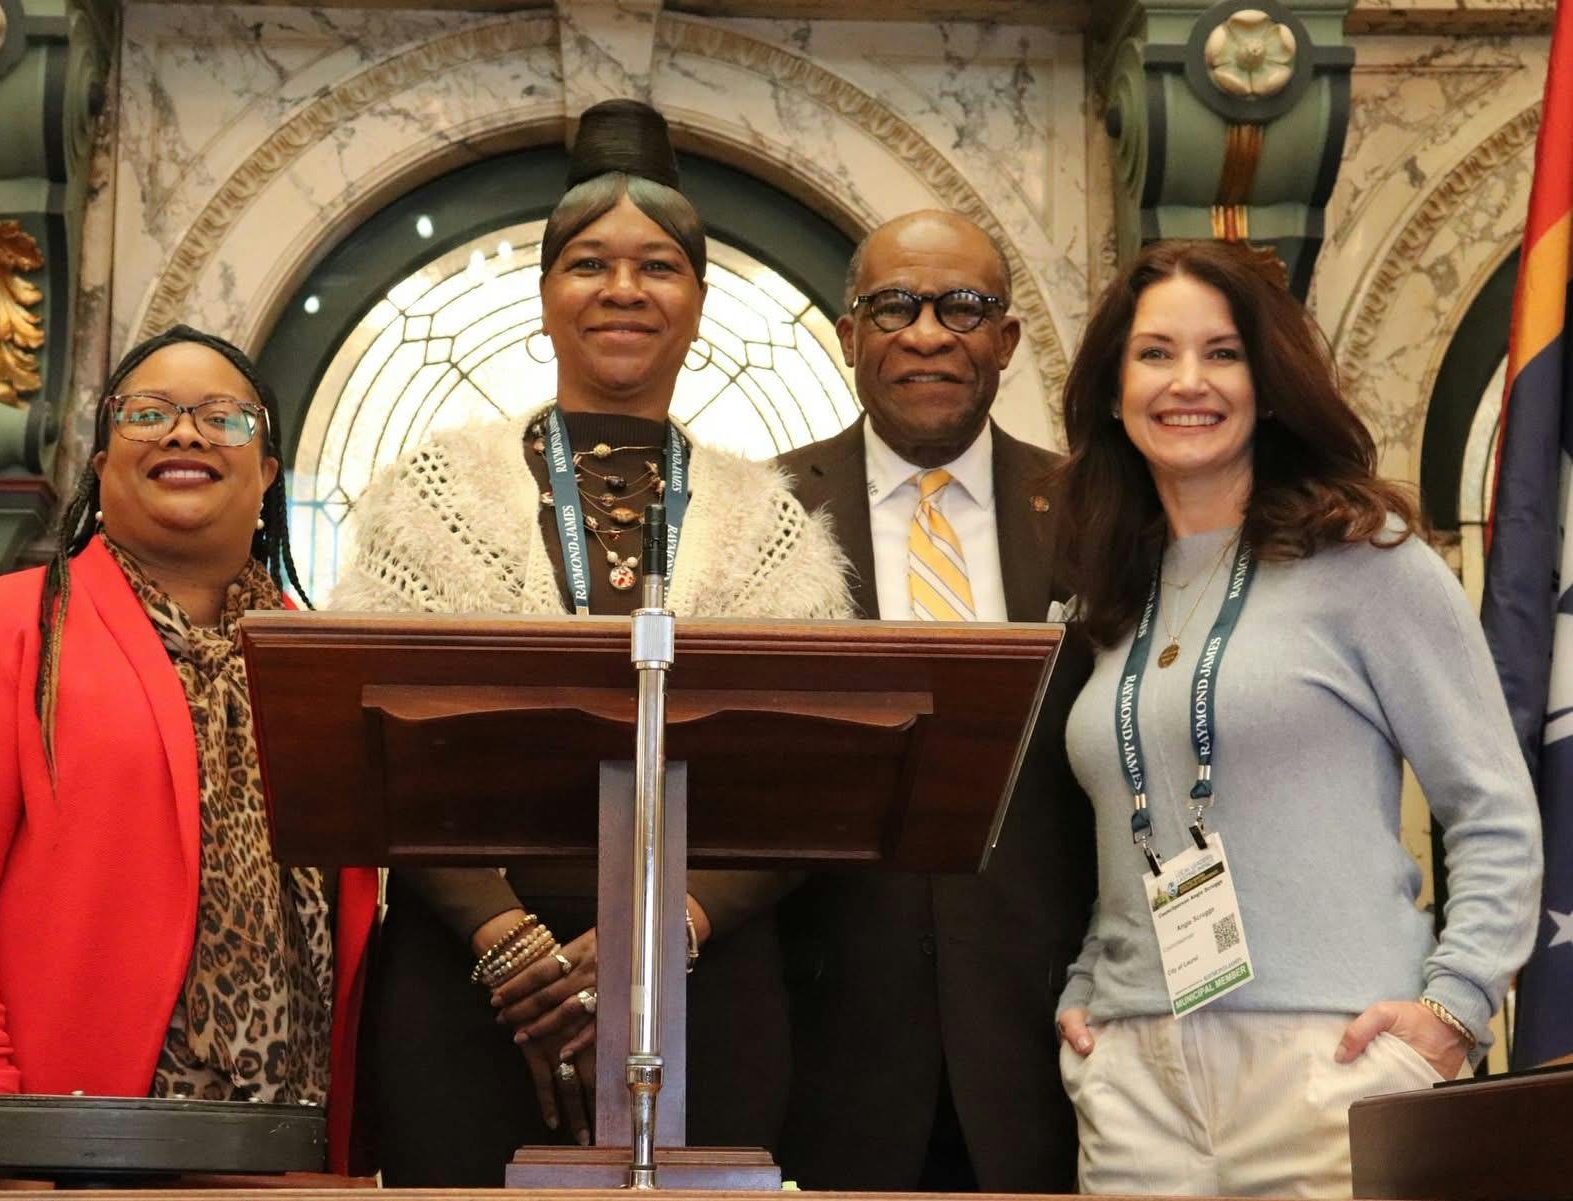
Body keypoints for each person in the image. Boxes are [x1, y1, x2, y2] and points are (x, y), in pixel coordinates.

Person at [330, 99, 851, 1186]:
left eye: (657, 266)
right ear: (544, 297)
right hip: (471, 961)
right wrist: (509, 943)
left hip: (706, 968)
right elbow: (372, 733)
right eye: (588, 264)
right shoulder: (431, 493)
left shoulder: (771, 520)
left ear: (698, 305)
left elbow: (816, 772)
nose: (623, 288)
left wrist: (672, 930)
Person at [1052, 240, 1543, 1198]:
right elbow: (1127, 832)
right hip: (1134, 1082)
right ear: (1113, 390)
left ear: (1268, 385)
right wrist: (1087, 987)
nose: (1187, 382)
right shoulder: (1107, 595)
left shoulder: (1369, 559)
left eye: (1223, 353)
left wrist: (1455, 1008)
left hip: (1335, 1062)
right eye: (1155, 353)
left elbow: (1493, 809)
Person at [0, 327, 380, 1172]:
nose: (185, 433)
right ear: (101, 466)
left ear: (268, 473)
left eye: (224, 418)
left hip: (286, 1155)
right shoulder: (4, 627)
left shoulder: (322, 665)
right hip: (52, 1152)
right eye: (148, 414)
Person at [773, 210, 1095, 1192]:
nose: (926, 335)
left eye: (962, 307)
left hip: (1050, 1038)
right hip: (826, 1041)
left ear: (1006, 338)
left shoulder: (1092, 511)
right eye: (893, 307)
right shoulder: (767, 512)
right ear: (848, 336)